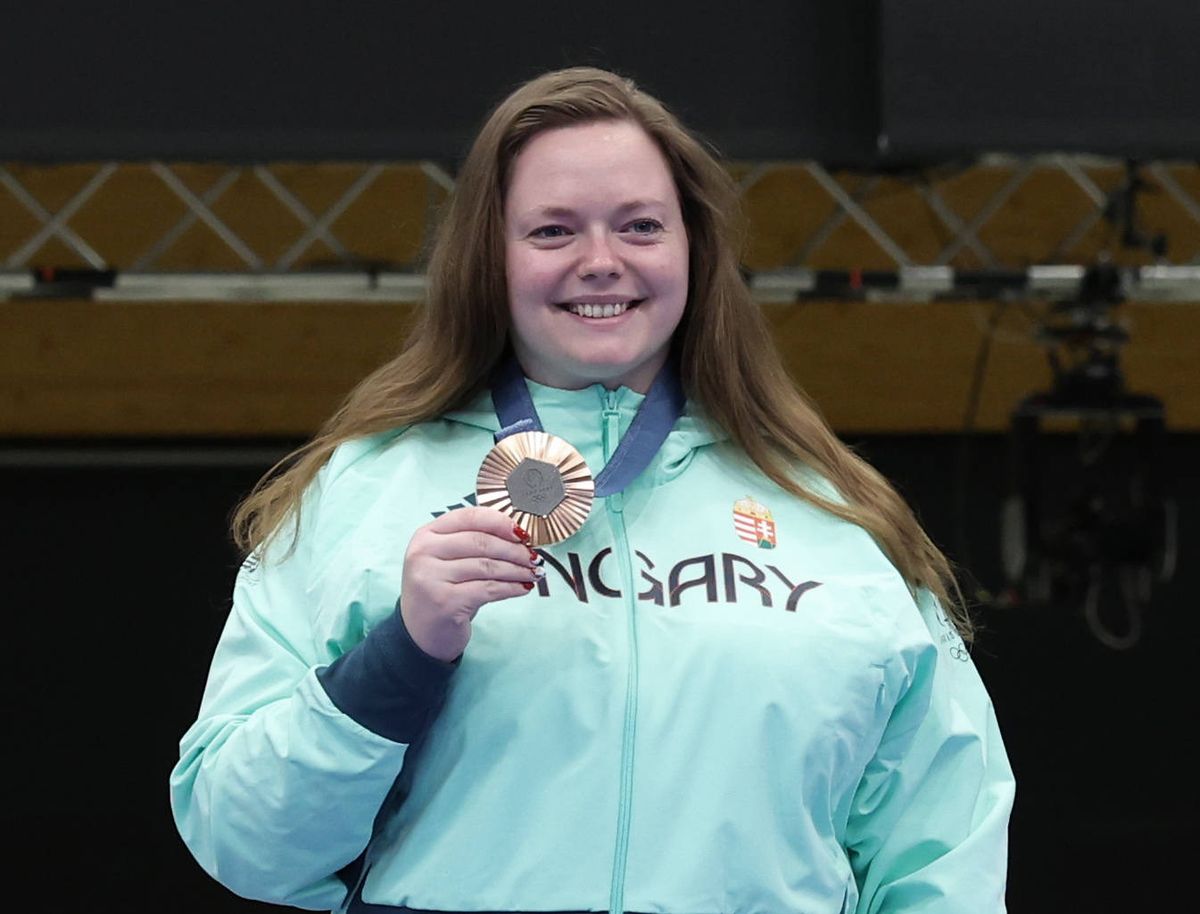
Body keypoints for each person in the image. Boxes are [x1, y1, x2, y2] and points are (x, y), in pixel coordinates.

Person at [170, 67, 1014, 914]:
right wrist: (399, 657)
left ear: (695, 248)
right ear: (489, 256)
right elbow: (244, 837)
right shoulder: (369, 490)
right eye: (553, 231)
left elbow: (943, 838)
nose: (601, 262)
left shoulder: (829, 511)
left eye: (641, 226)